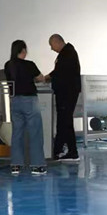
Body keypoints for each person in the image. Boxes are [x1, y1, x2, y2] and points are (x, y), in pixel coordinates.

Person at [4, 40, 46, 175]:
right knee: (35, 132)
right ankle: (37, 166)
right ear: (23, 50)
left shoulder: (8, 65)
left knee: (17, 133)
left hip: (14, 101)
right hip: (29, 101)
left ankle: (16, 165)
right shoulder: (29, 64)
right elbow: (41, 78)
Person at [45, 34, 81, 162]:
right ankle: (66, 150)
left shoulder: (68, 53)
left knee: (64, 121)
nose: (51, 48)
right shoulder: (66, 53)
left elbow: (60, 71)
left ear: (57, 42)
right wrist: (49, 77)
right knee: (64, 121)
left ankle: (64, 151)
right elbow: (59, 71)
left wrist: (47, 77)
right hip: (65, 92)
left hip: (67, 92)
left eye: (52, 45)